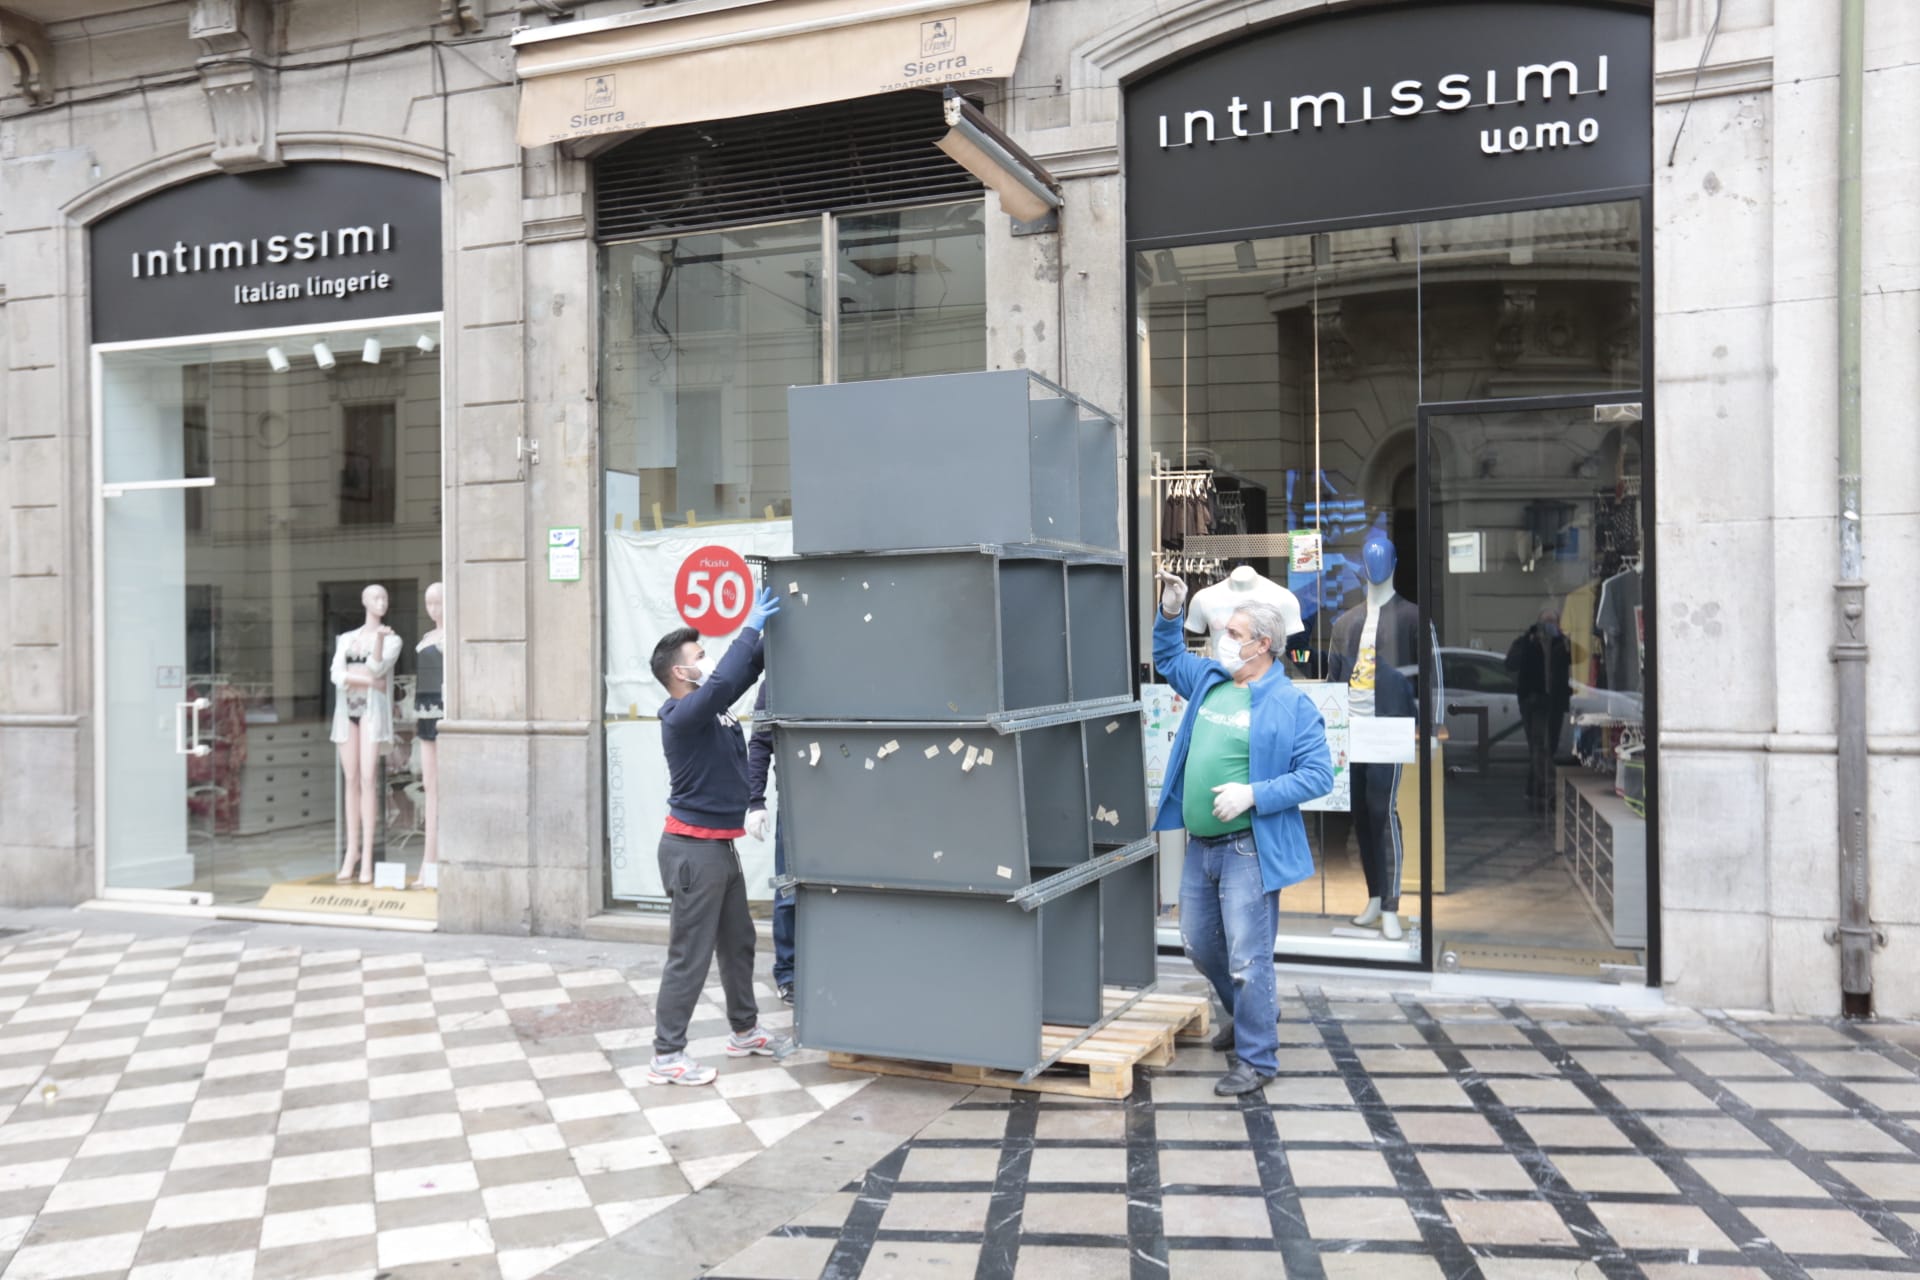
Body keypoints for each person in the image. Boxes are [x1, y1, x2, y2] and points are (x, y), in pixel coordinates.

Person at [1152, 570, 1334, 1096]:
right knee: (1196, 945)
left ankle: (1257, 1058)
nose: (1220, 641)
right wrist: (1169, 612)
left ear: (1262, 645)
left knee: (1248, 959)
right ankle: (1252, 1014)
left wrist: (1254, 794)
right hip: (1200, 844)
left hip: (1248, 848)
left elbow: (1319, 774)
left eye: (1232, 634)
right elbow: (1167, 659)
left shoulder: (1291, 703)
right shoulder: (1210, 680)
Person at [646, 586, 794, 1086]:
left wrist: (772, 630)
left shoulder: (710, 707)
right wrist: (749, 626)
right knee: (690, 955)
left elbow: (742, 671)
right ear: (679, 673)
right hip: (691, 853)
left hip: (717, 848)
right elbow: (723, 682)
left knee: (738, 942)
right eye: (698, 656)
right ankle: (667, 1056)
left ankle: (745, 1031)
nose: (706, 661)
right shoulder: (680, 716)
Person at [746, 682, 795, 1005]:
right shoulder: (777, 680)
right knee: (789, 891)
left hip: (850, 806)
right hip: (797, 804)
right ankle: (789, 973)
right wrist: (755, 801)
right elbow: (761, 743)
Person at [1506, 607, 1572, 807]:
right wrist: (1528, 639)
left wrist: (1565, 641)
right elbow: (1511, 663)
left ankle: (1533, 789)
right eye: (1546, 621)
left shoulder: (1561, 644)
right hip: (1534, 701)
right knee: (1538, 746)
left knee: (1547, 746)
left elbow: (1577, 658)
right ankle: (1549, 790)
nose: (1549, 625)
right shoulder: (1527, 641)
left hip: (1555, 701)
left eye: (1553, 621)